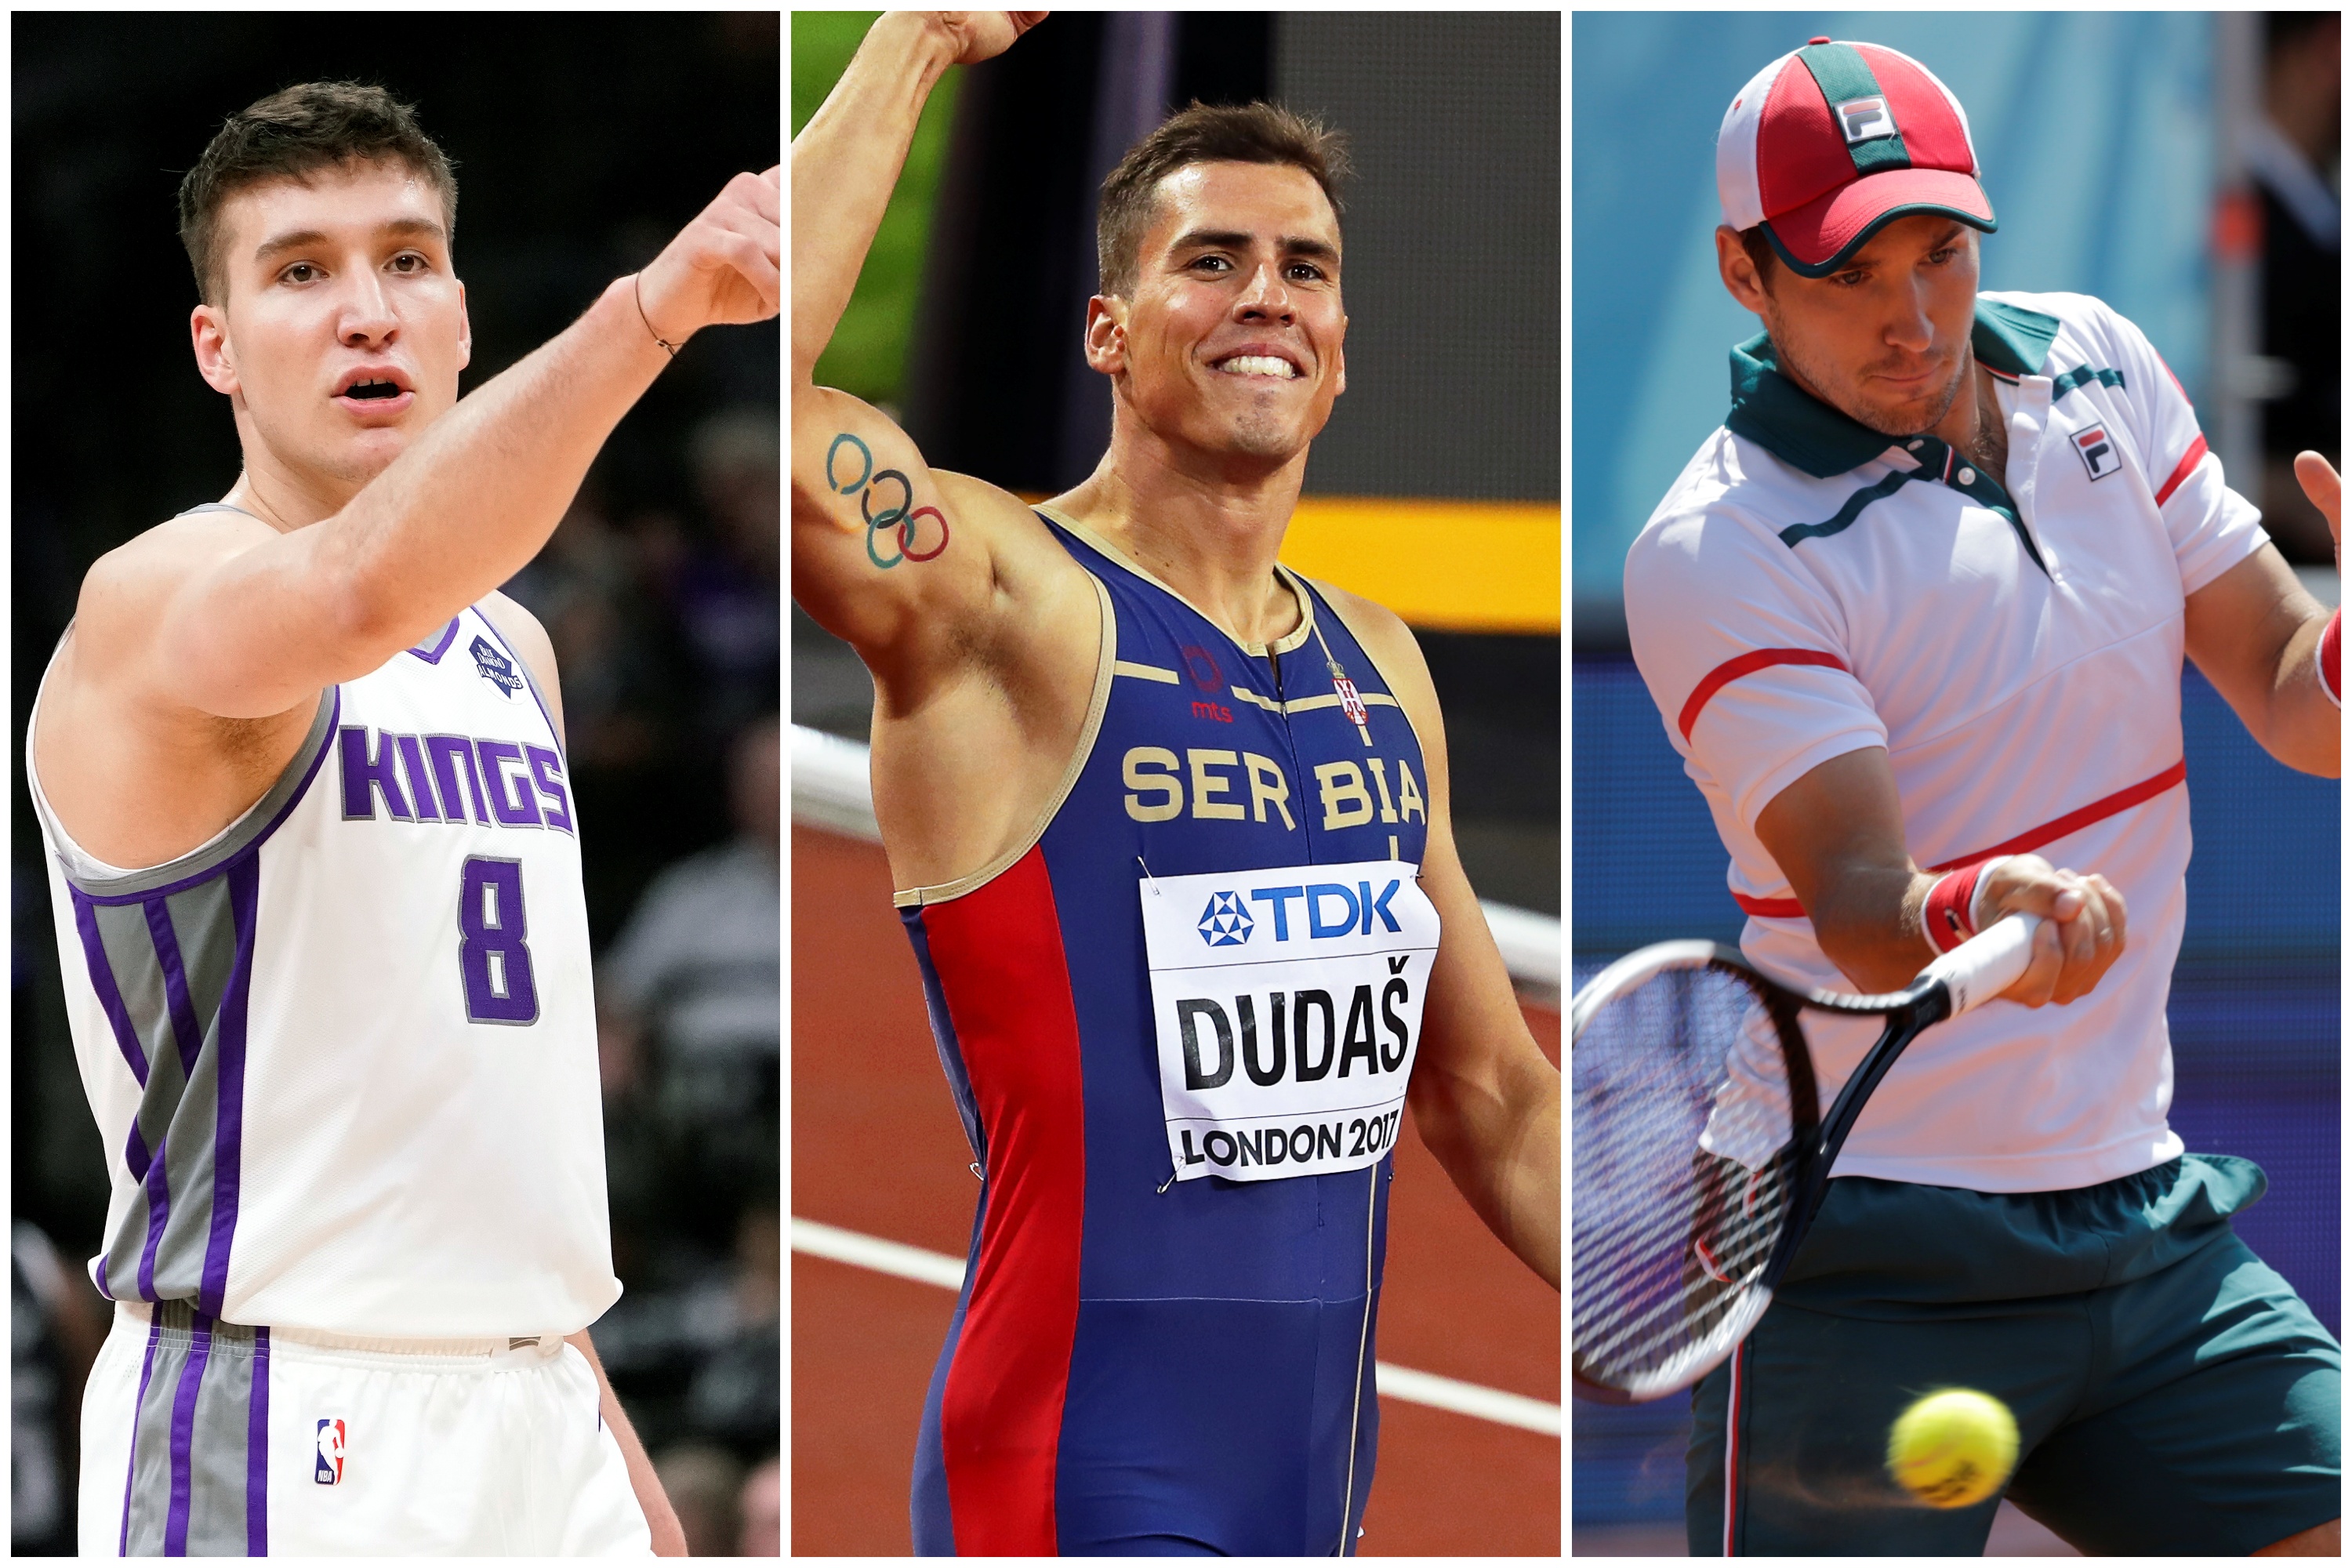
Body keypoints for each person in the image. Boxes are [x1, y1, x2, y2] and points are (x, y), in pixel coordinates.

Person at [793, 12, 1559, 1558]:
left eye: (1305, 268)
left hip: (1313, 1493)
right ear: (1110, 330)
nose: (1264, 292)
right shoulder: (1005, 601)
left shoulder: (1379, 672)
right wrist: (916, 42)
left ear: (1340, 353)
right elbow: (777, 391)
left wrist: (1700, 1292)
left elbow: (1490, 1095)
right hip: (1076, 1481)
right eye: (1209, 260)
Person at [25, 81, 778, 1555]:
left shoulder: (519, 652)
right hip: (281, 1408)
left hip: (537, 1407)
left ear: (462, 323)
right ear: (217, 347)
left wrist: (592, 1426)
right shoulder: (158, 600)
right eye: (300, 271)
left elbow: (491, 1125)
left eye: (408, 260)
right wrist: (657, 308)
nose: (367, 310)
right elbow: (357, 587)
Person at [1621, 38, 2341, 1557]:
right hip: (1859, 1236)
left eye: (1941, 253)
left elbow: (2290, 689)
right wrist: (1986, 897)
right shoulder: (1722, 548)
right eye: (1850, 273)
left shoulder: (2104, 366)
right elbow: (1866, 913)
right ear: (1743, 275)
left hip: (2136, 1212)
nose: (1914, 315)